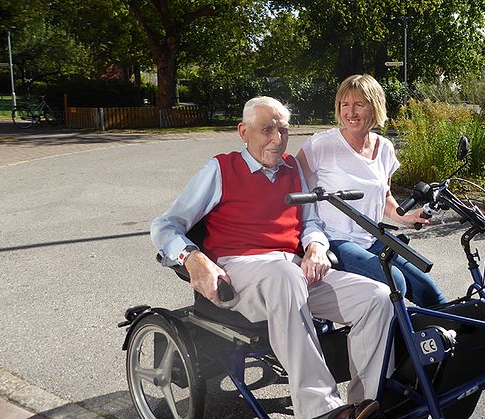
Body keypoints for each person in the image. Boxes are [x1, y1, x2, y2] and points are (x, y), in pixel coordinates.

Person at [151, 96, 391, 419]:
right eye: (267, 130)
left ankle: (366, 405)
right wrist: (192, 258)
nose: (277, 140)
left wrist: (316, 247)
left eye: (284, 130)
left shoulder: (292, 168)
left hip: (289, 268)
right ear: (244, 132)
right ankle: (321, 410)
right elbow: (165, 226)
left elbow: (311, 223)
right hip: (240, 272)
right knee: (285, 274)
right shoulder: (221, 169)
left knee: (377, 298)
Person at [296, 74, 448, 308]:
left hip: (372, 237)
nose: (350, 112)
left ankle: (443, 339)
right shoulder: (321, 145)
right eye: (344, 104)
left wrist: (405, 217)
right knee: (395, 281)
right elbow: (293, 188)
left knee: (429, 291)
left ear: (374, 106)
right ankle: (398, 341)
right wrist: (309, 242)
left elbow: (384, 196)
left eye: (358, 104)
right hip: (335, 239)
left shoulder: (384, 147)